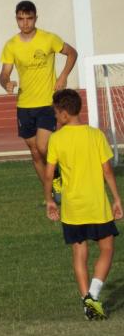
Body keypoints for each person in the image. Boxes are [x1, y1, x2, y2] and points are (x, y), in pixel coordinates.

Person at [44, 89, 122, 320]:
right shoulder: (96, 135)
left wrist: (49, 200)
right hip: (97, 204)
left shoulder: (56, 139)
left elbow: (49, 174)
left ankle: (86, 301)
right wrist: (117, 198)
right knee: (107, 248)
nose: (55, 118)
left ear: (65, 114)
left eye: (56, 114)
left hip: (73, 208)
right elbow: (107, 170)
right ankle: (94, 296)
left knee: (80, 252)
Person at [0, 0, 78, 198]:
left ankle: (58, 178)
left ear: (36, 18)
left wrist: (63, 76)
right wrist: (6, 82)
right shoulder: (11, 45)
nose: (25, 23)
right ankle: (49, 195)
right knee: (34, 152)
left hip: (47, 103)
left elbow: (72, 53)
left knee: (44, 147)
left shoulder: (48, 39)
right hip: (24, 105)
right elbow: (4, 73)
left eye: (29, 18)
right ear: (16, 19)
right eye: (21, 19)